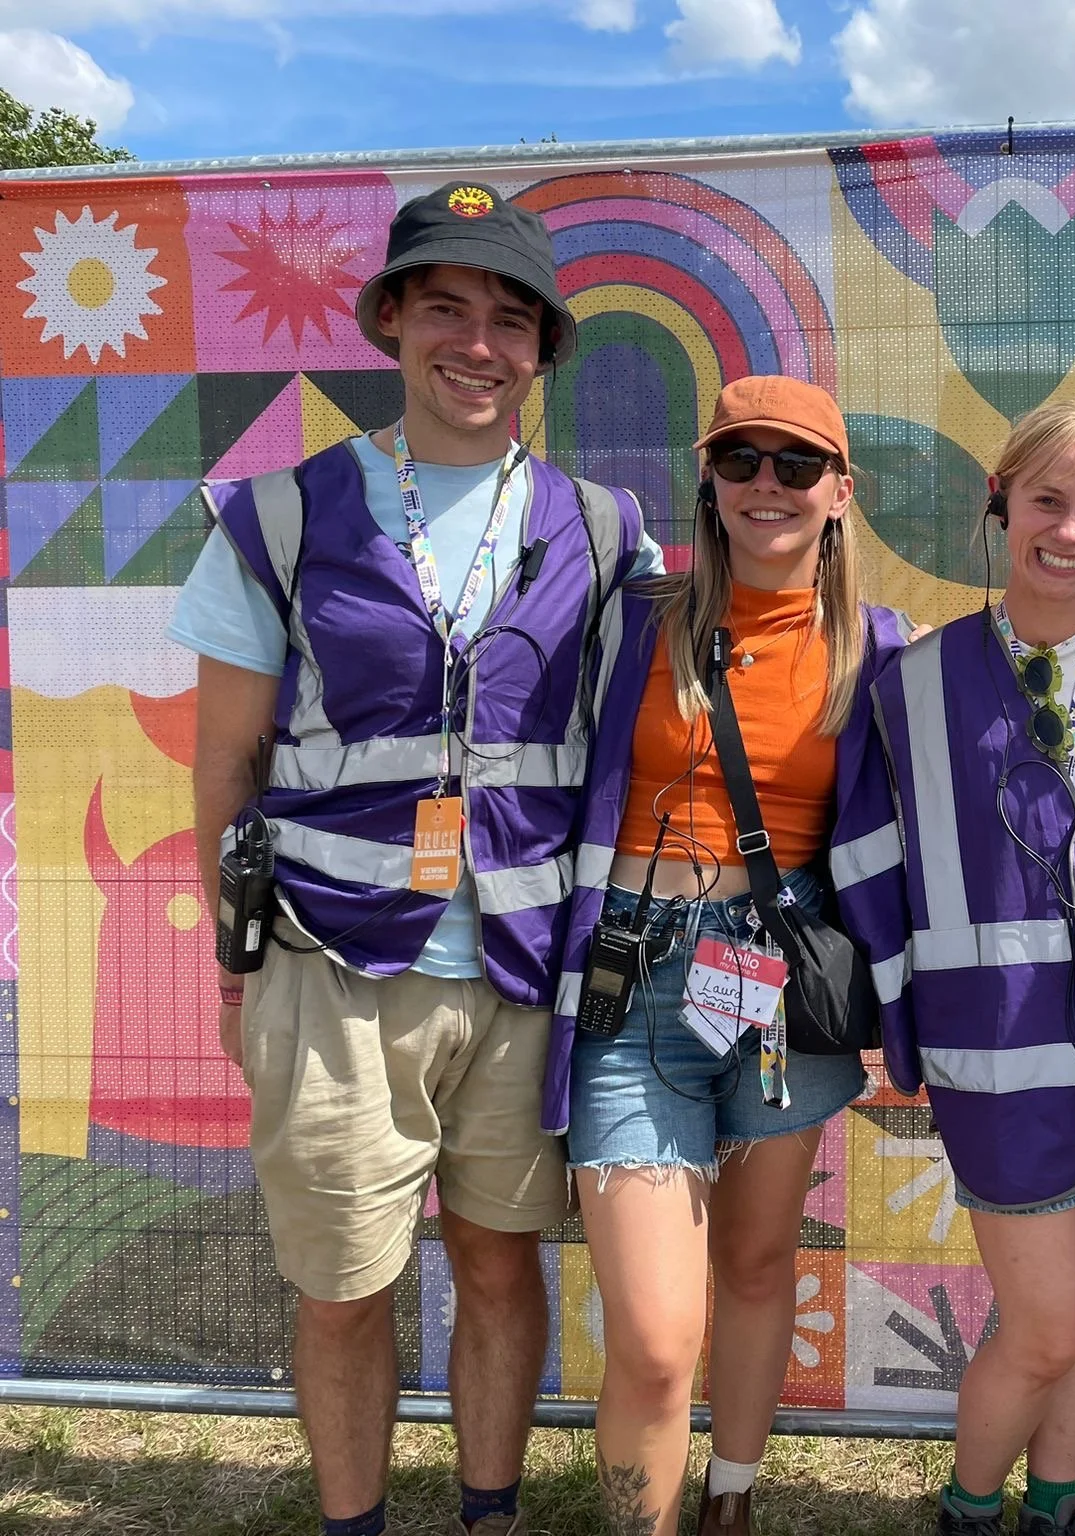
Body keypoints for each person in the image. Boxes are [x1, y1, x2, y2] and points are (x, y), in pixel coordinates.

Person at [178, 182, 659, 1536]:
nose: (478, 344)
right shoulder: (279, 517)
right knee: (344, 1289)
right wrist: (237, 958)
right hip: (332, 965)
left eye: (511, 319)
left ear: (542, 350)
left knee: (503, 1270)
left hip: (524, 971)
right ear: (391, 320)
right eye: (445, 307)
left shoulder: (606, 531)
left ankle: (487, 1516)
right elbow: (223, 768)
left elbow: (705, 693)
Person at [832, 399, 1075, 1536]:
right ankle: (969, 1511)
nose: (1068, 530)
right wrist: (895, 1023)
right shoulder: (911, 683)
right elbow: (868, 859)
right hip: (998, 1045)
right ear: (999, 503)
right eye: (1046, 501)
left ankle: (1056, 1507)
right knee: (1047, 1321)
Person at [549, 374, 907, 1536]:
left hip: (779, 988)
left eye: (796, 464)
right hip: (633, 980)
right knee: (656, 1340)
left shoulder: (877, 649)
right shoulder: (629, 620)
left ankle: (731, 1494)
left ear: (840, 490)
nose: (767, 484)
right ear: (706, 477)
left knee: (756, 1265)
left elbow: (1006, 701)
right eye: (740, 458)